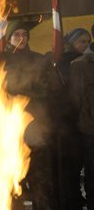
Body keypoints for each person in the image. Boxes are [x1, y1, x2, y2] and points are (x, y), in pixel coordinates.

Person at [0, 20, 62, 209]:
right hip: (6, 127)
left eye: (24, 35)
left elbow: (52, 89)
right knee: (8, 178)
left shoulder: (39, 60)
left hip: (36, 125)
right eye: (17, 34)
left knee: (40, 179)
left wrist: (27, 96)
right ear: (9, 38)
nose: (21, 38)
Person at [54, 28, 91, 209]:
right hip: (72, 124)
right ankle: (72, 201)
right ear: (72, 43)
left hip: (81, 123)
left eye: (87, 42)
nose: (85, 45)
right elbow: (74, 96)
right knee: (72, 169)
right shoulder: (71, 63)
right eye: (81, 42)